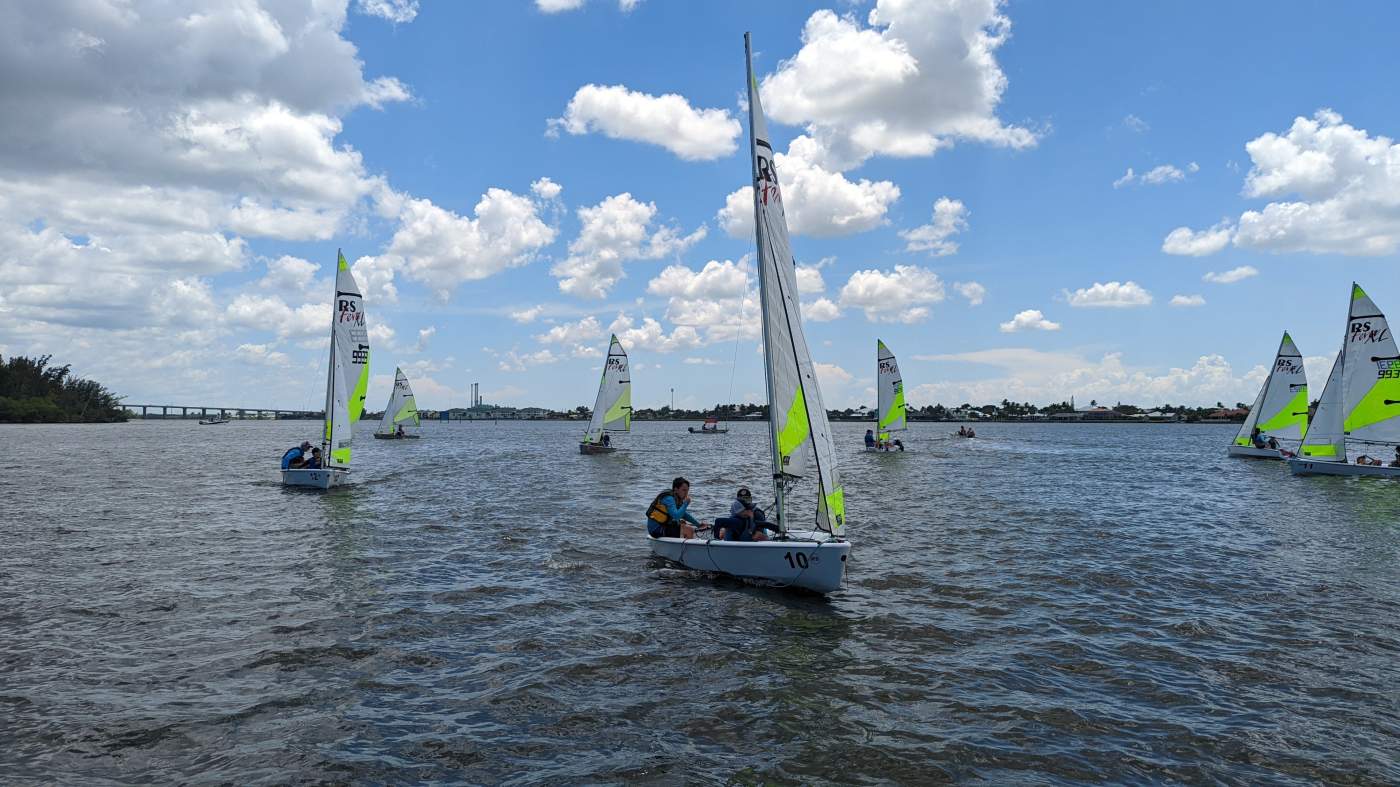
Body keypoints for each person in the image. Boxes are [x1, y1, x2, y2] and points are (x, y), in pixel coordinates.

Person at [715, 487, 780, 542]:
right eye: (742, 500)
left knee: (757, 535)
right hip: (740, 535)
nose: (745, 502)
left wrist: (777, 529)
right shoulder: (736, 516)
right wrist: (717, 538)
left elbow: (762, 525)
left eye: (747, 499)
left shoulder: (757, 513)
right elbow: (719, 522)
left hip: (755, 536)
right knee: (723, 532)